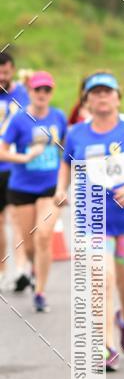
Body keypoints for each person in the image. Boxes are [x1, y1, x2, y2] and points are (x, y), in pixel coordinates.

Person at [55, 72, 124, 370]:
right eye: (95, 92)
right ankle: (105, 345)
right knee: (102, 278)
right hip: (91, 220)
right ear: (86, 100)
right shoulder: (76, 133)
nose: (102, 97)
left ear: (117, 97)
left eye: (107, 92)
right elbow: (66, 165)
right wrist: (60, 189)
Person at [0, 72, 66, 312]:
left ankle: (40, 291)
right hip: (22, 187)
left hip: (50, 188)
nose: (42, 94)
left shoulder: (58, 117)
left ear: (52, 92)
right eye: (38, 90)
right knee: (29, 246)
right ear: (30, 91)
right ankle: (34, 265)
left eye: (47, 90)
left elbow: (68, 153)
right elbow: (2, 150)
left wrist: (63, 186)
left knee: (44, 236)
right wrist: (24, 156)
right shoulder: (19, 120)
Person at [0, 51, 30, 291]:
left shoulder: (22, 93)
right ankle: (2, 270)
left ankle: (21, 269)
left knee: (18, 219)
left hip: (15, 163)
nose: (2, 77)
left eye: (6, 73)